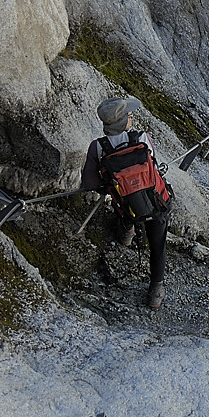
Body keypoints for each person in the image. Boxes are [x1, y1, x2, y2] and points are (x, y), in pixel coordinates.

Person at [81, 97, 172, 309]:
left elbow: (89, 183)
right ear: (125, 123)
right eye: (129, 116)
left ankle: (127, 234)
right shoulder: (142, 138)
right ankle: (156, 292)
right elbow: (155, 166)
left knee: (122, 201)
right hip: (156, 202)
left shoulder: (97, 147)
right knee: (158, 244)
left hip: (127, 207)